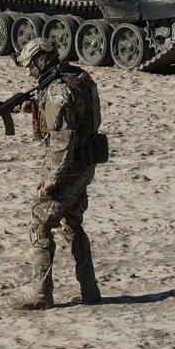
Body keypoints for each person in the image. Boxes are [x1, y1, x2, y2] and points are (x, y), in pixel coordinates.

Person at [13, 38, 106, 310]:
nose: (30, 72)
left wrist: (50, 182)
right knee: (72, 223)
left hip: (70, 166)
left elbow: (61, 142)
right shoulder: (78, 78)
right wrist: (36, 114)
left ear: (41, 60)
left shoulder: (57, 92)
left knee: (40, 222)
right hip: (86, 162)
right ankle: (90, 290)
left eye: (31, 65)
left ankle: (41, 293)